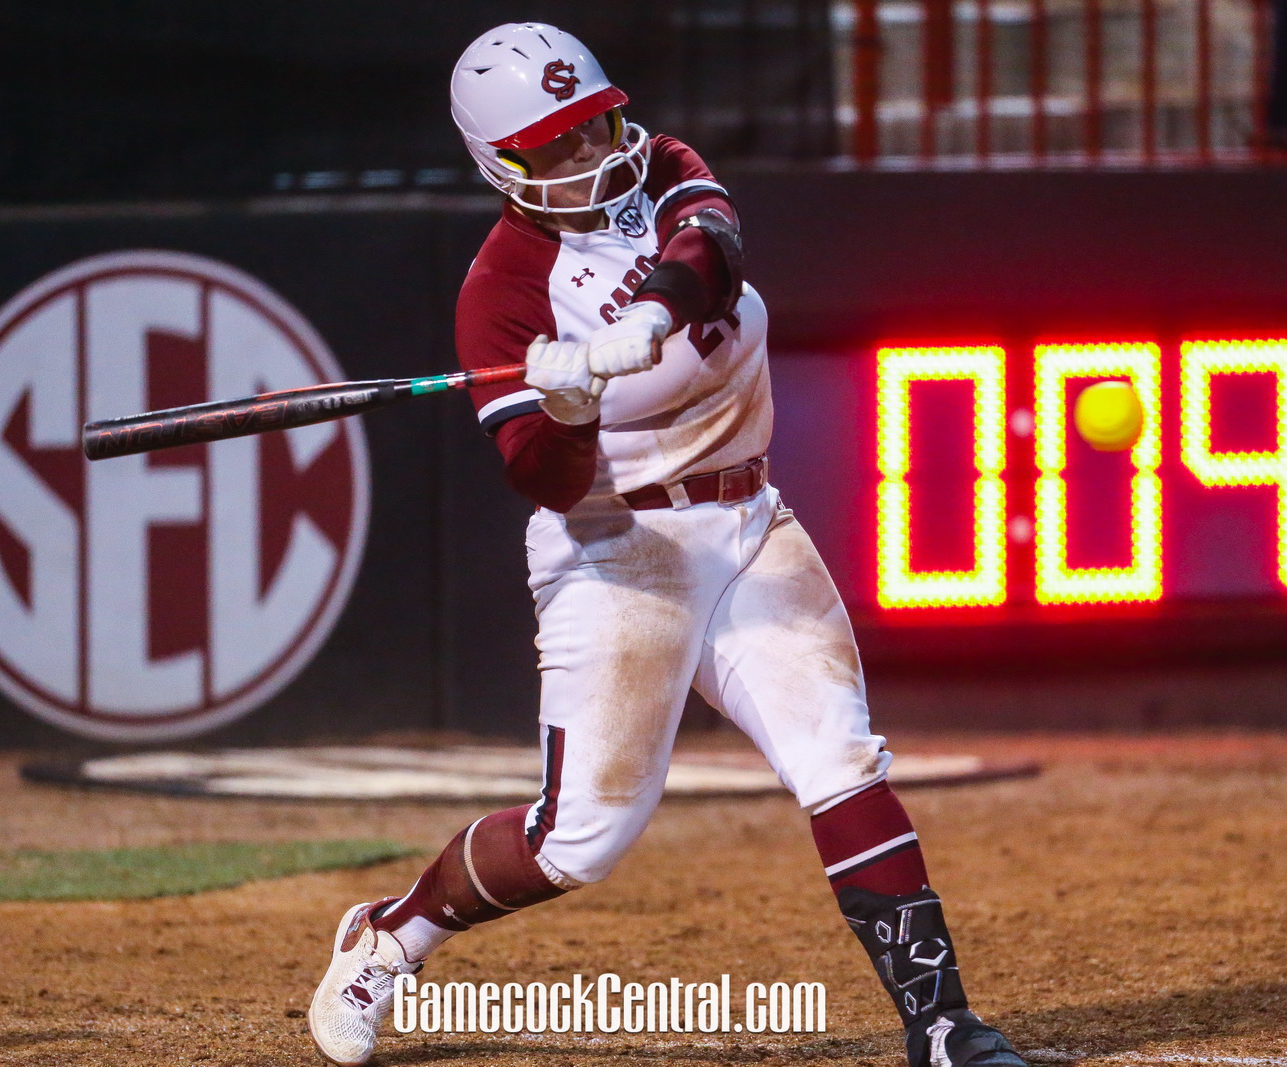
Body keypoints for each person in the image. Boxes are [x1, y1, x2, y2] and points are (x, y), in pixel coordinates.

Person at [307, 23, 1028, 1067]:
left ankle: (944, 1024)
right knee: (579, 841)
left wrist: (647, 315)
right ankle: (393, 933)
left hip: (748, 523)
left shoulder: (671, 168)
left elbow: (711, 247)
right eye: (557, 140)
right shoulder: (502, 292)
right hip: (617, 549)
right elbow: (538, 477)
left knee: (838, 757)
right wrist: (566, 404)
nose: (595, 147)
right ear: (503, 162)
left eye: (595, 118)